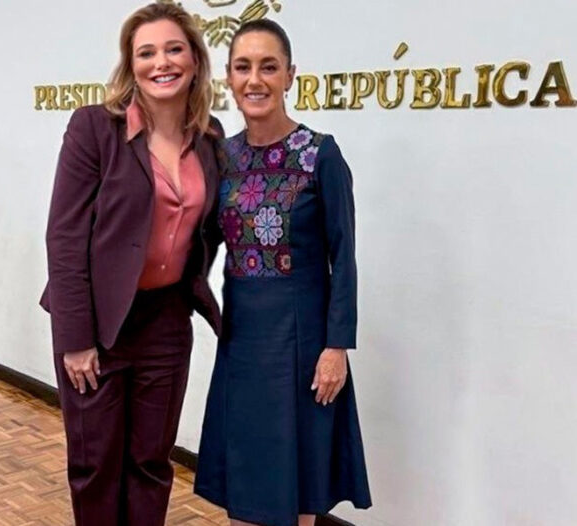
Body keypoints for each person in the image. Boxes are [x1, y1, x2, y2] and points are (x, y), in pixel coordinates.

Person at [40, 4, 223, 525]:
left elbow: (213, 227)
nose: (161, 62)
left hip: (166, 321)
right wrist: (76, 338)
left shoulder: (209, 137)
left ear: (194, 59)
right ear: (131, 64)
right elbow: (65, 237)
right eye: (146, 53)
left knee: (150, 463)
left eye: (173, 49)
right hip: (99, 325)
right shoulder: (95, 128)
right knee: (96, 466)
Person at [194, 19, 372, 526]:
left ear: (290, 75)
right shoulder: (221, 157)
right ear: (228, 78)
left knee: (297, 498)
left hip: (304, 351)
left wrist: (337, 347)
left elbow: (344, 256)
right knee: (245, 491)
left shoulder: (320, 153)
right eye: (243, 67)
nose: (255, 79)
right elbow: (199, 244)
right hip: (242, 345)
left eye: (268, 67)